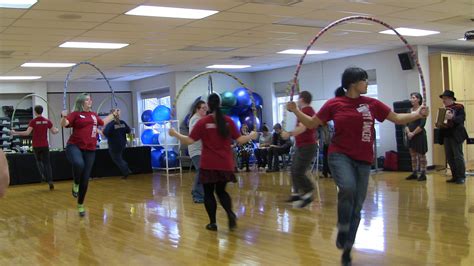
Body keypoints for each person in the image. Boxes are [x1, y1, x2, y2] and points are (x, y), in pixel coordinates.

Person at [287, 67, 429, 265]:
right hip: (339, 155)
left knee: (357, 206)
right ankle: (342, 224)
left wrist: (416, 114)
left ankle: (347, 248)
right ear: (353, 82)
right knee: (347, 188)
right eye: (365, 80)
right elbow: (311, 124)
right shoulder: (334, 104)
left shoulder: (372, 103)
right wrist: (295, 111)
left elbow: (396, 118)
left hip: (363, 159)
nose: (367, 84)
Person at [169, 93, 257, 231]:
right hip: (225, 163)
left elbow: (189, 141)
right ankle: (230, 214)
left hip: (209, 163)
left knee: (209, 193)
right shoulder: (228, 121)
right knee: (221, 191)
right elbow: (240, 140)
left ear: (209, 106)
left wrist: (175, 134)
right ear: (220, 105)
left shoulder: (203, 122)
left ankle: (213, 223)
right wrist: (251, 136)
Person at [61, 93, 118, 217]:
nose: (90, 101)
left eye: (90, 99)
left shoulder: (93, 115)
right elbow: (64, 124)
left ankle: (80, 204)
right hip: (74, 146)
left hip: (90, 149)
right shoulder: (75, 114)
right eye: (87, 100)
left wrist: (113, 115)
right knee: (78, 164)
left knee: (86, 179)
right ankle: (75, 183)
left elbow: (102, 122)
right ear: (82, 102)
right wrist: (63, 116)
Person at [281, 91, 317, 207]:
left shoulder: (308, 111)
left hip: (307, 146)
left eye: (298, 98)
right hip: (302, 145)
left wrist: (289, 134)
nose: (297, 100)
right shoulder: (303, 111)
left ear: (302, 99)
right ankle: (296, 194)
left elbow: (302, 128)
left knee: (298, 171)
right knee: (294, 169)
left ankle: (308, 191)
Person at [11, 105, 59, 190]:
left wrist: (15, 132)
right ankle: (50, 181)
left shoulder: (33, 121)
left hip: (36, 146)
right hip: (45, 145)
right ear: (42, 111)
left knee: (39, 161)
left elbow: (27, 133)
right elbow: (54, 131)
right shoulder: (47, 121)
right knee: (47, 163)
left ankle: (43, 176)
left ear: (35, 112)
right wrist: (57, 130)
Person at [437, 90, 468, 184]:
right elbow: (441, 122)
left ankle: (461, 176)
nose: (443, 100)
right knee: (449, 157)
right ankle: (454, 176)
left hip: (456, 135)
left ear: (450, 98)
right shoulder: (443, 109)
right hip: (446, 135)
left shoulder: (459, 107)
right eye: (443, 98)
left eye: (445, 98)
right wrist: (439, 123)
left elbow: (461, 119)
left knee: (458, 156)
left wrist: (452, 118)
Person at [405, 92, 428, 181]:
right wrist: (408, 133)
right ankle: (414, 172)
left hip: (419, 136)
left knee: (421, 155)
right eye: (411, 98)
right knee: (413, 156)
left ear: (418, 99)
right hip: (410, 136)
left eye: (414, 97)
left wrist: (413, 133)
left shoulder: (423, 109)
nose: (412, 99)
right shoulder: (409, 110)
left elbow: (422, 124)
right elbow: (405, 123)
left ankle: (423, 173)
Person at [188, 100, 208, 203]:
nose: (205, 110)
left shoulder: (201, 119)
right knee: (202, 171)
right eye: (203, 108)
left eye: (206, 108)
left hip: (202, 151)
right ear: (197, 109)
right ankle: (197, 194)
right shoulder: (195, 119)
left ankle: (196, 191)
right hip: (196, 150)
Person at [102, 109, 132, 179]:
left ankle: (126, 171)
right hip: (123, 144)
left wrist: (103, 130)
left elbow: (106, 133)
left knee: (117, 159)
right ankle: (126, 168)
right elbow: (129, 130)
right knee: (119, 157)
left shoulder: (110, 124)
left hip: (114, 145)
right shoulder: (123, 122)